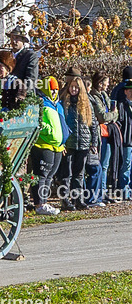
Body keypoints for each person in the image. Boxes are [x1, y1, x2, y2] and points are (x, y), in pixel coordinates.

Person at [58, 70, 99, 211]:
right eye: (71, 86)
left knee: (79, 173)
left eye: (76, 87)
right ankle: (65, 200)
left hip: (83, 142)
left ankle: (78, 199)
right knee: (66, 173)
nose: (74, 89)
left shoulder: (86, 103)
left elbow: (93, 124)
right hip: (69, 142)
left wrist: (94, 142)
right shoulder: (64, 102)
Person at [28, 77, 69, 215]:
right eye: (51, 89)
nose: (54, 92)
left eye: (56, 89)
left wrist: (63, 141)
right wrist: (49, 130)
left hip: (57, 146)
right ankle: (39, 204)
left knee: (49, 176)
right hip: (43, 144)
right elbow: (36, 121)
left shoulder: (57, 105)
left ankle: (44, 203)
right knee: (41, 175)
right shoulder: (40, 104)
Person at [88, 72, 118, 204]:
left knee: (105, 165)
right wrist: (113, 114)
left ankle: (103, 192)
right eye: (106, 82)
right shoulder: (94, 97)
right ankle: (98, 193)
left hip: (107, 133)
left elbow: (110, 116)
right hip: (100, 135)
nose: (108, 85)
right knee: (100, 164)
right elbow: (102, 117)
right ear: (100, 83)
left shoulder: (104, 96)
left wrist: (111, 115)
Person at [7, 25, 40, 90]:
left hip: (23, 95)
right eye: (12, 38)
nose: (14, 41)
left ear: (23, 40)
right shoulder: (6, 55)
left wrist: (22, 93)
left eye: (16, 38)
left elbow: (31, 79)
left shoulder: (30, 56)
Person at [116, 80, 132, 200]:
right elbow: (121, 122)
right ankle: (124, 192)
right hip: (127, 140)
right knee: (126, 166)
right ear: (126, 91)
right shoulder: (122, 105)